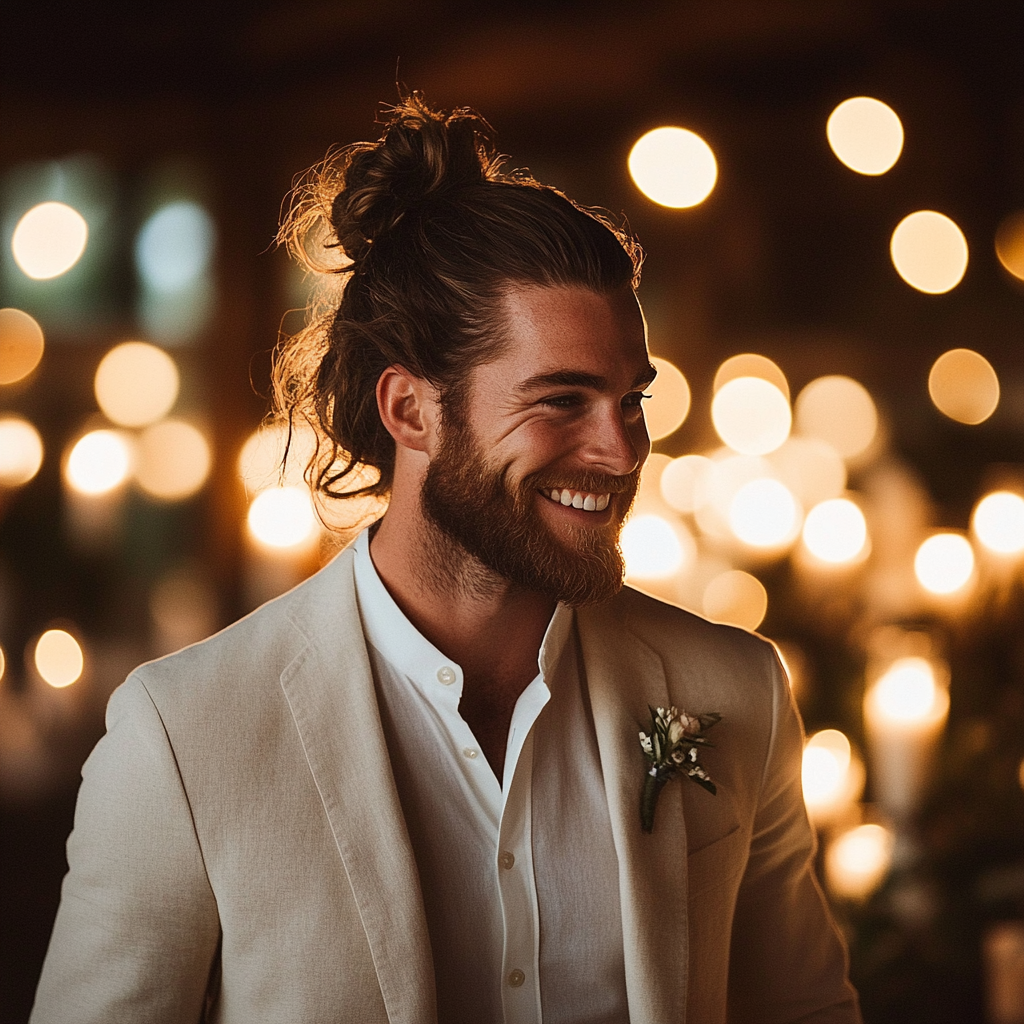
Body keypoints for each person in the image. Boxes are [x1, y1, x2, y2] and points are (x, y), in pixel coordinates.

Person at [31, 94, 860, 1024]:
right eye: (561, 401)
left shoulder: (736, 689)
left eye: (633, 399)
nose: (622, 451)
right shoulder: (182, 737)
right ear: (411, 411)